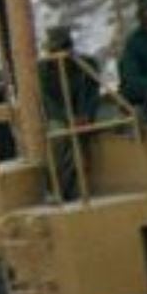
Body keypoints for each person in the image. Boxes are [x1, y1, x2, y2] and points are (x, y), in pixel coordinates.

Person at [40, 24, 103, 200]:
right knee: (59, 136)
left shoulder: (87, 65)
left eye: (63, 47)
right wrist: (68, 119)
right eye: (54, 49)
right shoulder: (43, 70)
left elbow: (92, 93)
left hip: (83, 114)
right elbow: (48, 102)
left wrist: (85, 115)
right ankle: (57, 187)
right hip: (59, 117)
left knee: (107, 127)